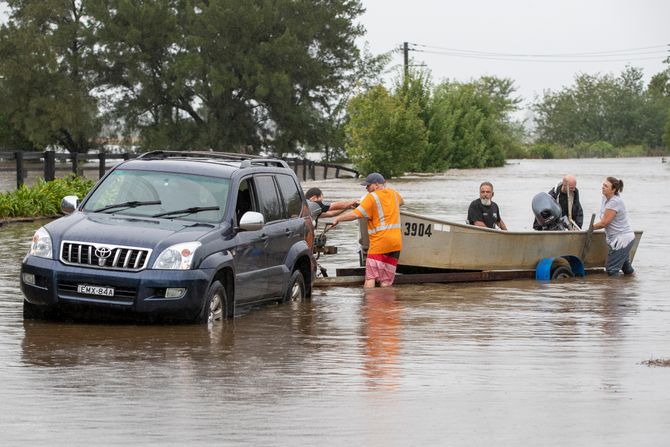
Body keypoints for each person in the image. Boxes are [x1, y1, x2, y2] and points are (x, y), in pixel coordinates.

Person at [331, 173, 404, 288]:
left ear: (375, 185)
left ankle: (369, 305)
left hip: (380, 244)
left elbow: (355, 215)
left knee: (371, 278)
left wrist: (338, 218)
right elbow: (400, 202)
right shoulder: (395, 194)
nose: (366, 189)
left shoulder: (371, 197)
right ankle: (386, 305)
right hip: (396, 244)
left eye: (368, 186)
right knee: (386, 281)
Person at [592, 177, 635, 276]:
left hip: (622, 239)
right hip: (617, 238)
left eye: (606, 186)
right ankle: (632, 285)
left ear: (614, 190)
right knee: (626, 268)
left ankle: (613, 291)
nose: (603, 187)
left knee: (611, 269)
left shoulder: (615, 201)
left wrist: (591, 227)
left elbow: (604, 223)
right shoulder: (605, 198)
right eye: (603, 185)